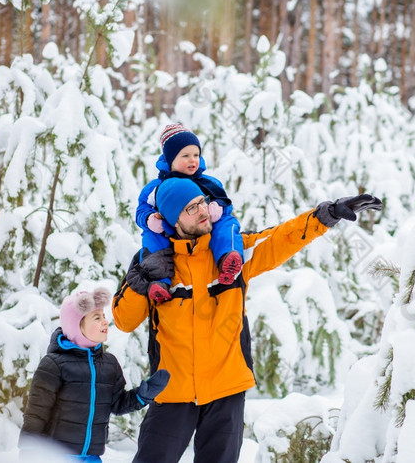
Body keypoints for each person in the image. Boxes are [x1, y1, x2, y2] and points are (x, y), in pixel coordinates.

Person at [112, 178, 382, 463]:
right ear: (172, 218)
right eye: (191, 208)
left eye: (202, 202)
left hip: (226, 389)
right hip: (172, 391)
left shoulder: (232, 253)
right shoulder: (155, 263)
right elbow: (124, 321)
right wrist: (140, 280)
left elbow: (281, 237)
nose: (202, 210)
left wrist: (327, 215)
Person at [19, 287, 170, 462]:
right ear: (77, 326)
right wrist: (29, 449)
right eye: (97, 318)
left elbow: (117, 404)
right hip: (57, 455)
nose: (105, 322)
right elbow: (37, 412)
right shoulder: (54, 364)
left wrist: (143, 395)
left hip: (92, 456)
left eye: (104, 316)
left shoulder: (109, 365)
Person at [136, 123, 244, 304]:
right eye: (185, 156)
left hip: (202, 224)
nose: (192, 160)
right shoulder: (155, 188)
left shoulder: (207, 182)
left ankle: (228, 258)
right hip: (169, 228)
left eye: (196, 155)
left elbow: (225, 201)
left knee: (227, 223)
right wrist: (148, 219)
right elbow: (141, 209)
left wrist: (219, 207)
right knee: (151, 237)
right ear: (170, 159)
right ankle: (159, 283)